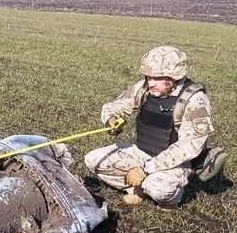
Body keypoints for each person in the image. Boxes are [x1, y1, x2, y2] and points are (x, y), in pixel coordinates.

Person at [84, 46, 226, 211]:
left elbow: (189, 146)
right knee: (93, 159)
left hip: (173, 163)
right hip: (140, 151)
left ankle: (169, 201)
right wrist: (111, 119)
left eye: (156, 78)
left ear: (173, 77)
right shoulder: (142, 87)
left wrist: (146, 169)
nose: (150, 83)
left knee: (159, 189)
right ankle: (137, 188)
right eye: (148, 77)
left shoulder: (196, 100)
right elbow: (114, 105)